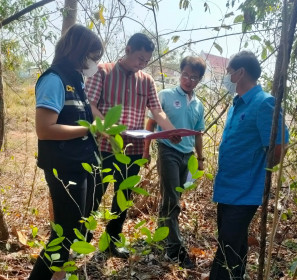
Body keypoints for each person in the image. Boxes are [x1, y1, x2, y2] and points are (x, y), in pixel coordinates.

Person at [85, 33, 178, 258]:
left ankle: (112, 241)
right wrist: (107, 128)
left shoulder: (146, 81)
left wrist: (170, 129)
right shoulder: (102, 72)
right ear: (127, 50)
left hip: (134, 149)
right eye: (139, 58)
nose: (142, 64)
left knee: (124, 196)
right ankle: (82, 239)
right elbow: (90, 105)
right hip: (105, 146)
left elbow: (157, 110)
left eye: (146, 61)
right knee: (94, 193)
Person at [30, 24, 104, 280]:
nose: (94, 63)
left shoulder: (76, 81)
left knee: (72, 228)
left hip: (78, 162)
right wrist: (87, 130)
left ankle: (58, 276)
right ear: (79, 52)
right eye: (93, 57)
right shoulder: (54, 79)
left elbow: (80, 120)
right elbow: (45, 128)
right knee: (65, 232)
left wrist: (98, 128)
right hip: (62, 166)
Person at [209, 50, 289, 280]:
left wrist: (258, 173)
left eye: (229, 72)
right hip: (226, 188)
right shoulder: (236, 105)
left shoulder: (264, 103)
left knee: (226, 249)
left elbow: (279, 146)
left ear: (240, 72)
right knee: (234, 244)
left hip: (246, 191)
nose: (227, 77)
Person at [144, 56, 206, 269]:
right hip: (167, 151)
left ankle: (161, 238)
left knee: (173, 198)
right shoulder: (166, 95)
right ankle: (175, 249)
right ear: (181, 74)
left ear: (199, 80)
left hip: (186, 156)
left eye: (194, 77)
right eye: (186, 75)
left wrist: (200, 159)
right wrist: (145, 152)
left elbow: (198, 134)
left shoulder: (198, 104)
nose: (189, 80)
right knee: (172, 200)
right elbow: (151, 123)